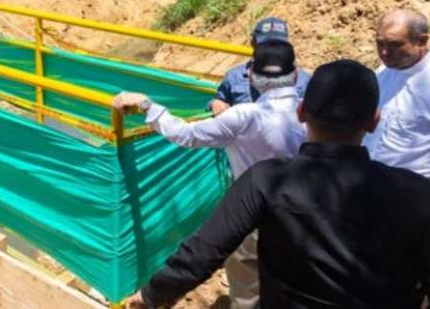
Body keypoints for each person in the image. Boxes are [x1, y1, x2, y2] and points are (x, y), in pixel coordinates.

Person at [124, 59, 430, 309]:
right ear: (374, 120)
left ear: (302, 112)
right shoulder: (420, 195)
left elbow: (204, 251)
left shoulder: (266, 180)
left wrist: (153, 294)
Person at [113, 41, 306, 309]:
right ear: (296, 74)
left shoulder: (244, 117)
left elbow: (185, 135)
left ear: (251, 75)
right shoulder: (312, 115)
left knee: (248, 290)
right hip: (303, 220)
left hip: (254, 220)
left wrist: (148, 106)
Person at [364, 9, 430, 189]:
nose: (384, 52)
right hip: (373, 182)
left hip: (420, 189)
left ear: (421, 41)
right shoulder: (382, 74)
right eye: (379, 43)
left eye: (395, 44)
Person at [209, 17, 311, 116]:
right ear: (253, 43)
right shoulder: (234, 77)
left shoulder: (304, 80)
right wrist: (215, 104)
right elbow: (218, 102)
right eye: (265, 44)